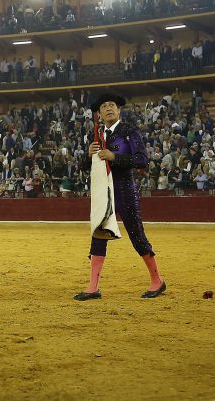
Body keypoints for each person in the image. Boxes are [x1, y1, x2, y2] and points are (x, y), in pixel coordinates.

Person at [74, 93, 166, 301]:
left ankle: (157, 281)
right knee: (98, 235)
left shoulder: (129, 131)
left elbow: (142, 160)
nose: (108, 108)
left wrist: (115, 156)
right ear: (99, 113)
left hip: (124, 190)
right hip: (103, 193)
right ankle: (92, 287)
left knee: (136, 234)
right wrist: (87, 156)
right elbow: (86, 167)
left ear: (118, 110)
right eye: (104, 106)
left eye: (112, 105)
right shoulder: (97, 135)